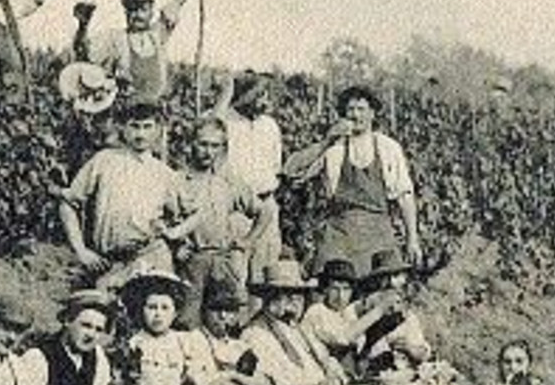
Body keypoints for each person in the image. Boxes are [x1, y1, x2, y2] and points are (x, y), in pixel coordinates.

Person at [283, 84, 421, 276]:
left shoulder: (388, 148)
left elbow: (405, 196)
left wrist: (412, 240)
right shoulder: (334, 148)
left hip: (378, 233)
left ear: (372, 113)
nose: (356, 115)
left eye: (361, 109)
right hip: (339, 233)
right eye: (351, 110)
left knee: (384, 288)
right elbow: (291, 172)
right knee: (331, 287)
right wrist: (326, 141)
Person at [58, 99, 181, 289]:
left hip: (151, 256)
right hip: (109, 261)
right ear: (123, 128)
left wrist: (174, 236)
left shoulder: (166, 174)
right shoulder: (104, 161)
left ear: (158, 130)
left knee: (152, 313)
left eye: (147, 127)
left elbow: (184, 217)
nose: (140, 134)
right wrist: (81, 250)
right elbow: (67, 204)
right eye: (134, 126)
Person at [165, 117, 267, 330]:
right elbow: (161, 222)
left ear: (222, 148)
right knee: (187, 322)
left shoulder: (228, 182)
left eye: (215, 146)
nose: (208, 152)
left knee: (227, 322)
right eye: (203, 144)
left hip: (224, 261)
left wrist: (247, 241)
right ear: (190, 144)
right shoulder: (176, 181)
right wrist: (176, 246)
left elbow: (264, 211)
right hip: (192, 263)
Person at [82, 0, 201, 103]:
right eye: (131, 10)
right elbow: (85, 53)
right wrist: (83, 26)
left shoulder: (158, 34)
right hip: (127, 113)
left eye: (141, 10)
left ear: (151, 11)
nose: (136, 15)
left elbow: (178, 0)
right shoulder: (116, 39)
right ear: (125, 13)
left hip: (156, 112)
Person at [209, 70, 285, 284]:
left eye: (266, 95)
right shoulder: (226, 121)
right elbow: (208, 130)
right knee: (235, 276)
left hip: (266, 206)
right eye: (259, 95)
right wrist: (225, 95)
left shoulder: (270, 126)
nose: (265, 100)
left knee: (266, 275)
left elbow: (275, 166)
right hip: (236, 211)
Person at [354, 250, 432, 371]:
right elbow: (356, 360)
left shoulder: (406, 316)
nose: (391, 283)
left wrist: (409, 348)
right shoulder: (361, 310)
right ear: (375, 282)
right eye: (384, 278)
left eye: (396, 276)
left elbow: (423, 353)